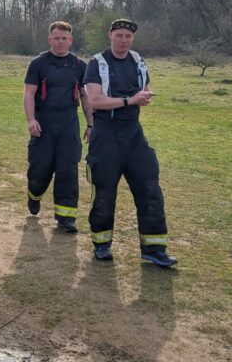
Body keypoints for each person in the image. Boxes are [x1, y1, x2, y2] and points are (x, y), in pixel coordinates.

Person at [83, 18, 176, 266]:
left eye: (128, 36)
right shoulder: (97, 63)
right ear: (110, 35)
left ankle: (154, 249)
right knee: (104, 191)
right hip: (105, 132)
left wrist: (144, 97)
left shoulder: (137, 60)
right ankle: (102, 244)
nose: (124, 40)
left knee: (150, 188)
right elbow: (95, 101)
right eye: (119, 35)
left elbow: (145, 88)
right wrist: (129, 100)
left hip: (133, 132)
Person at [23, 21, 93, 233]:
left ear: (70, 40)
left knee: (68, 169)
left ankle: (66, 218)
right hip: (43, 122)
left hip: (68, 123)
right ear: (50, 39)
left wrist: (91, 124)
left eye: (64, 38)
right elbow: (29, 94)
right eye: (56, 38)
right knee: (40, 168)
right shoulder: (38, 63)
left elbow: (86, 97)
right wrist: (31, 120)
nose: (60, 42)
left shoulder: (80, 66)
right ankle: (34, 195)